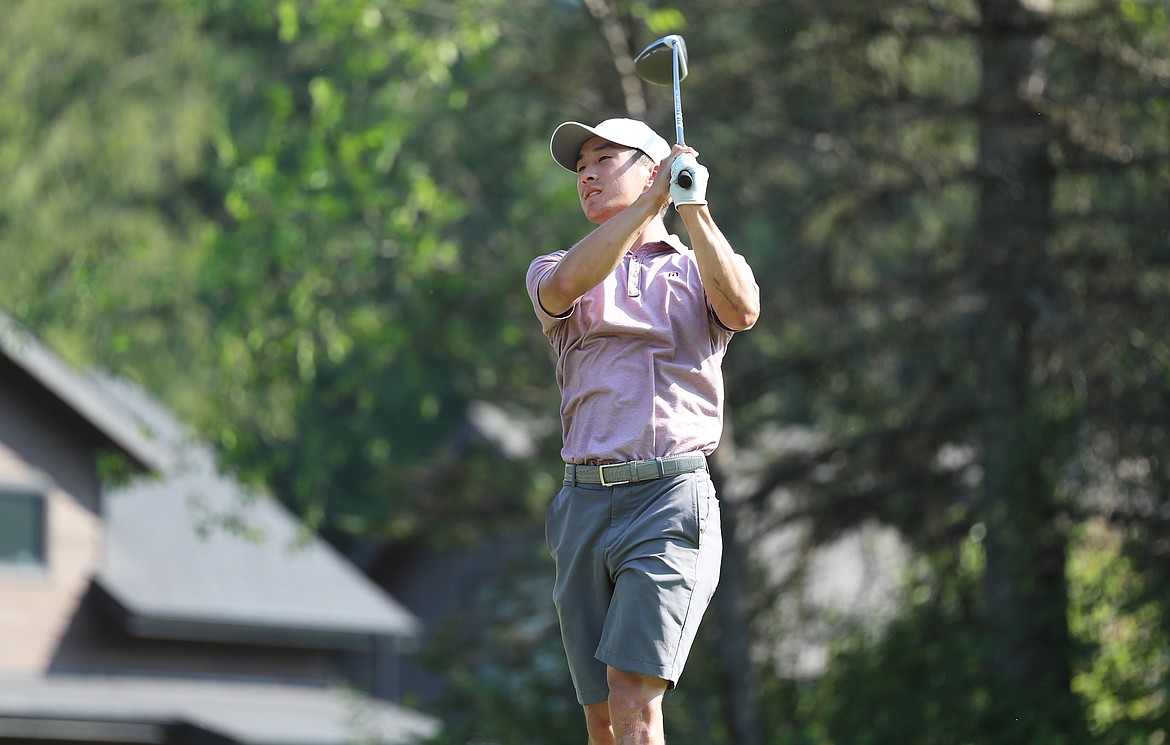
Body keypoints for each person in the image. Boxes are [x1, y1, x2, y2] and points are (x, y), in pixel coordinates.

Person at [525, 116, 760, 745]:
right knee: (603, 714)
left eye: (605, 158)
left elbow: (741, 308)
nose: (589, 175)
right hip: (582, 504)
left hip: (668, 499)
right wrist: (653, 202)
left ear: (652, 169)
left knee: (633, 695)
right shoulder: (556, 266)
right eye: (581, 167)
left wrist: (694, 206)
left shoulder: (695, 268)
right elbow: (567, 285)